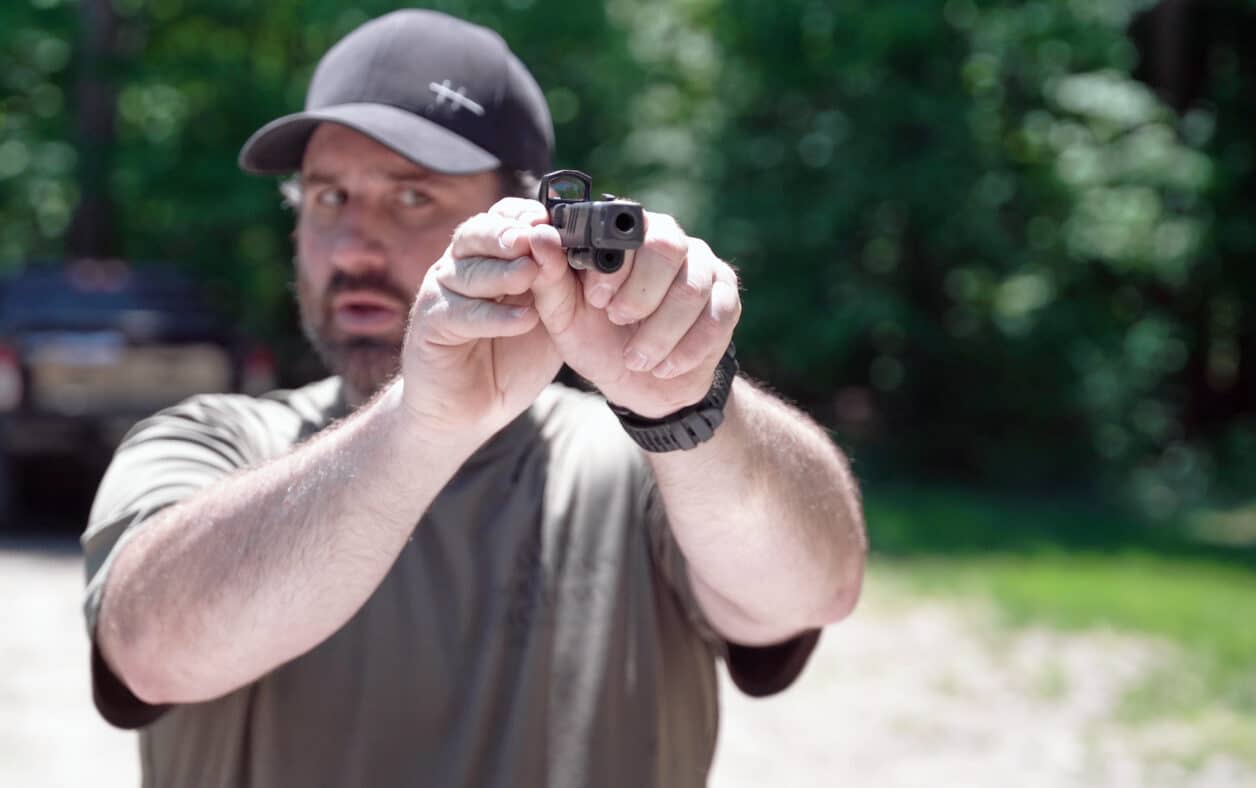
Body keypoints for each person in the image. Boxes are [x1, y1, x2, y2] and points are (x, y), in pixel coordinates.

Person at [81, 8, 866, 788]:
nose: (355, 245)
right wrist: (419, 426)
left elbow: (818, 587)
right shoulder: (210, 442)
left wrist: (689, 405)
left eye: (412, 197)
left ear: (531, 222)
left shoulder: (640, 464)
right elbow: (147, 649)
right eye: (328, 198)